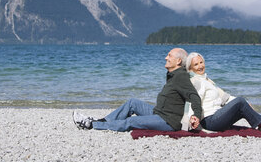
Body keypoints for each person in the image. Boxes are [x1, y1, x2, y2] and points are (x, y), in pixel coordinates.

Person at [72, 48, 202, 132]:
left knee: (132, 121)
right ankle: (102, 121)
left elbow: (194, 96)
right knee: (132, 103)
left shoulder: (181, 76)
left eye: (169, 55)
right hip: (158, 113)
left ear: (178, 61)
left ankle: (91, 125)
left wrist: (196, 115)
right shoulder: (173, 75)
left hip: (168, 122)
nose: (165, 58)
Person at [185, 52, 261, 134]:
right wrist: (193, 117)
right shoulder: (196, 82)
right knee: (240, 101)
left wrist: (246, 104)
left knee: (242, 104)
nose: (200, 66)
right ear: (190, 68)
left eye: (201, 62)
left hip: (217, 117)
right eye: (196, 64)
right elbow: (194, 101)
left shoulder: (207, 80)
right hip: (209, 121)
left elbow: (224, 98)